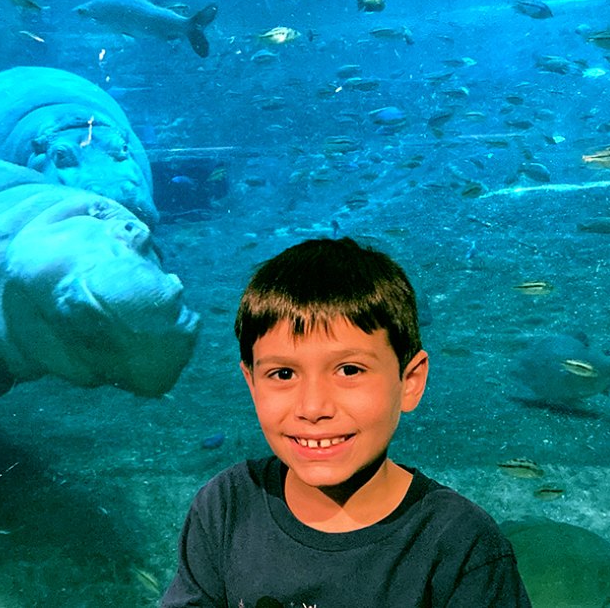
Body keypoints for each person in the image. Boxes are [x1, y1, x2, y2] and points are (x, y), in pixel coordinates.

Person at [161, 237, 531, 607]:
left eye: (349, 369)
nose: (313, 407)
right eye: (283, 373)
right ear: (252, 384)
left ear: (410, 382)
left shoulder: (460, 545)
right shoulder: (226, 507)